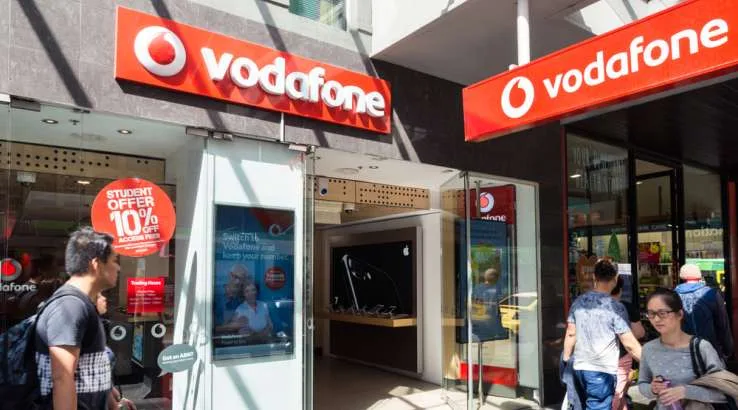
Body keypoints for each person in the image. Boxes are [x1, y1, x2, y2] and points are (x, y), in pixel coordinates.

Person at [34, 227, 124, 410]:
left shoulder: (82, 304)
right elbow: (62, 377)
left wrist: (111, 400)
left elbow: (87, 366)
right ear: (96, 264)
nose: (118, 267)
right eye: (114, 260)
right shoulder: (70, 306)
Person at [563, 259, 642, 410]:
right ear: (616, 278)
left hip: (579, 367)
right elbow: (629, 344)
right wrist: (650, 363)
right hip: (601, 370)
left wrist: (566, 360)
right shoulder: (616, 307)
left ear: (594, 277)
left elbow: (571, 333)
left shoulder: (578, 302)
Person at [638, 287, 728, 410]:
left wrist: (685, 391)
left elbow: (722, 393)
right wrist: (652, 389)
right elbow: (642, 383)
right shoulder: (648, 349)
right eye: (651, 313)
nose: (656, 319)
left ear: (680, 314)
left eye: (662, 313)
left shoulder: (701, 347)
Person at [675, 264, 734, 360]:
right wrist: (727, 349)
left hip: (680, 352)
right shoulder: (712, 294)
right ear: (699, 276)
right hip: (709, 351)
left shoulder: (672, 296)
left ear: (682, 277)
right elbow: (723, 325)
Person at [96, 293, 136, 410]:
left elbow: (105, 381)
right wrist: (114, 404)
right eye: (98, 296)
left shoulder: (101, 325)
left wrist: (118, 398)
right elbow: (97, 379)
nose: (104, 298)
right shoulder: (87, 330)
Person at [611, 276, 646, 410]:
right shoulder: (626, 307)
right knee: (618, 393)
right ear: (620, 290)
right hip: (621, 356)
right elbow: (639, 333)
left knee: (616, 395)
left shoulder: (589, 305)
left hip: (595, 360)